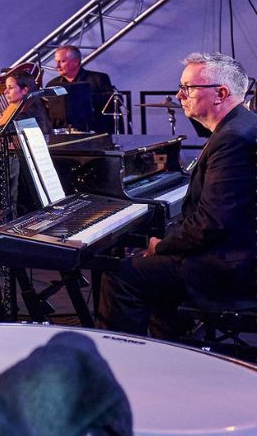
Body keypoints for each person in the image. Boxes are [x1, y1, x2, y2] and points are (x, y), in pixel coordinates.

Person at [99, 52, 257, 337]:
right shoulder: (243, 124)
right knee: (154, 272)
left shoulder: (232, 139)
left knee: (122, 276)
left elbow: (211, 224)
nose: (178, 94)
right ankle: (170, 347)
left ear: (221, 93)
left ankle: (118, 370)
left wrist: (161, 246)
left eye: (187, 88)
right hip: (240, 252)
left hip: (231, 269)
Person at [46, 45, 116, 133]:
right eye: (56, 62)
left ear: (75, 62)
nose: (57, 66)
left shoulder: (99, 78)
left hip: (95, 132)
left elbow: (113, 101)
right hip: (62, 133)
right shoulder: (52, 84)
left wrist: (83, 97)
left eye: (62, 61)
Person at [0, 69, 51, 137]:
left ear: (24, 90)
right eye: (6, 87)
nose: (5, 91)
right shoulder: (25, 107)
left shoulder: (29, 113)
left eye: (10, 87)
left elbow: (2, 131)